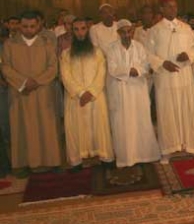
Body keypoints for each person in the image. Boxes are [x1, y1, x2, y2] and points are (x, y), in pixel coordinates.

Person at [1, 11, 63, 177]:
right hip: (20, 93)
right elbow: (5, 67)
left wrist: (37, 81)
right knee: (22, 127)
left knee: (47, 127)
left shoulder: (46, 44)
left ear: (38, 25)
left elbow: (53, 67)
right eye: (25, 26)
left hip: (42, 92)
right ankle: (23, 164)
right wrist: (23, 82)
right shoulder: (10, 44)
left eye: (32, 26)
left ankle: (51, 161)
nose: (29, 30)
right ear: (20, 26)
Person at [146, 0, 194, 163]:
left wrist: (189, 55)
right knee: (167, 113)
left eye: (175, 6)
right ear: (162, 9)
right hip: (165, 79)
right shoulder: (155, 30)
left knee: (188, 111)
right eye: (169, 6)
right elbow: (147, 54)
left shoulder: (186, 28)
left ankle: (192, 147)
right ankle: (168, 150)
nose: (173, 9)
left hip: (184, 77)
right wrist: (163, 63)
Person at [60, 18, 114, 170]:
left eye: (83, 29)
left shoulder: (97, 52)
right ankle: (76, 161)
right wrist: (81, 93)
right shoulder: (66, 54)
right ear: (72, 31)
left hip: (95, 96)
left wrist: (91, 92)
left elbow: (101, 73)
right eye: (76, 29)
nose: (80, 33)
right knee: (75, 128)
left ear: (87, 30)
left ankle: (105, 157)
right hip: (75, 98)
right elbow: (65, 76)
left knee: (100, 127)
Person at [105, 19, 161, 167]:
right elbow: (112, 68)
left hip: (138, 90)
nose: (127, 35)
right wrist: (129, 71)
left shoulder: (139, 47)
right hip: (121, 90)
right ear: (118, 33)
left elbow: (146, 65)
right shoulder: (111, 48)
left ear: (132, 31)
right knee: (122, 122)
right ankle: (126, 157)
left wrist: (138, 70)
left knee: (141, 120)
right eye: (123, 32)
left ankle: (145, 155)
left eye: (129, 31)